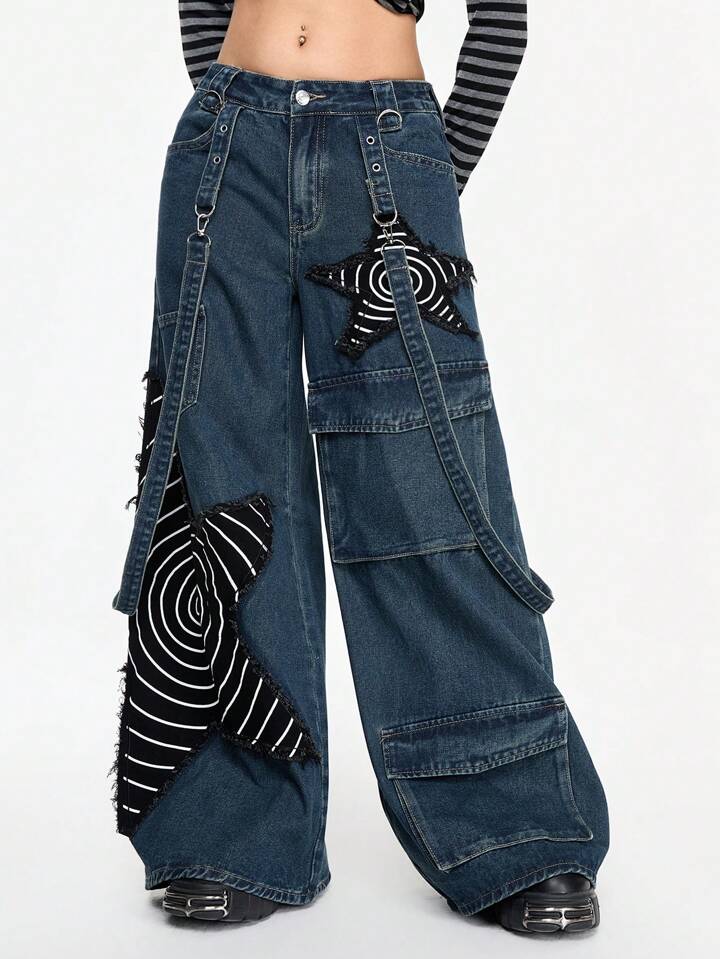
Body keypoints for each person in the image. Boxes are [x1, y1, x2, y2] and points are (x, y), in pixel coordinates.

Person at [112, 0, 608, 934]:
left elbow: (501, 25)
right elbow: (202, 9)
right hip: (227, 149)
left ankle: (515, 830)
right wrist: (242, 122)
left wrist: (428, 171)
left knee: (429, 489)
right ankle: (236, 833)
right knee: (223, 485)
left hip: (388, 146)